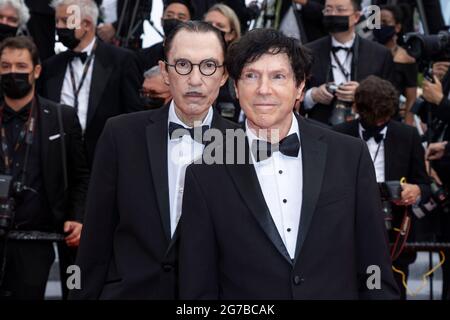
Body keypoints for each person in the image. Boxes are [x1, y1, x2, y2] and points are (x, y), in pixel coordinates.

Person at [178, 28, 399, 299]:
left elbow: (374, 262)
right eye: (251, 76)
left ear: (300, 86)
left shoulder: (349, 155)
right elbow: (197, 287)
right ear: (235, 87)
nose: (263, 89)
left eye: (278, 76)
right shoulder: (204, 173)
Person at [69, 21, 238, 300]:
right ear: (165, 72)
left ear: (223, 75)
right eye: (183, 65)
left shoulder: (241, 145)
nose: (195, 79)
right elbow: (95, 237)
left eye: (208, 66)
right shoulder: (120, 134)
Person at [0, 36, 89, 299]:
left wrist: (77, 217)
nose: (12, 72)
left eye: (20, 66)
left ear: (36, 71)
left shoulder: (62, 117)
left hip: (37, 240)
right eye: (5, 66)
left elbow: (80, 175)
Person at [334, 75, 431, 299]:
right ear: (357, 108)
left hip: (395, 234)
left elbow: (425, 185)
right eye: (373, 119)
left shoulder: (407, 135)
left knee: (390, 291)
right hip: (349, 231)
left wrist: (415, 191)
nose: (379, 123)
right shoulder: (338, 134)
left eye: (384, 118)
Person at [39, 0, 143, 167]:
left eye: (66, 21)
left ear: (87, 24)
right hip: (58, 164)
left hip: (105, 161)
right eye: (57, 21)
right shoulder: (50, 66)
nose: (59, 27)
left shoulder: (122, 61)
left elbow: (134, 115)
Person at [302, 0, 393, 125]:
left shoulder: (379, 54)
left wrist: (363, 94)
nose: (333, 14)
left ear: (356, 17)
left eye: (340, 10)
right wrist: (312, 95)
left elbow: (391, 101)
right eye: (328, 10)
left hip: (364, 129)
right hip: (320, 129)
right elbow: (291, 97)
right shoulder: (308, 52)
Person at [373, 5, 418, 124]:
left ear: (397, 27)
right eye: (377, 22)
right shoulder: (367, 51)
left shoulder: (406, 59)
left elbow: (411, 98)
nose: (380, 25)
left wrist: (407, 127)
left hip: (391, 120)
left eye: (385, 22)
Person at [204, 3, 241, 122]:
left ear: (232, 34)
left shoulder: (240, 69)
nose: (212, 29)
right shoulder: (184, 62)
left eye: (219, 26)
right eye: (208, 25)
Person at [137, 0, 192, 74]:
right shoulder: (144, 55)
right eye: (169, 15)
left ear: (190, 24)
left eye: (181, 17)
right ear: (161, 21)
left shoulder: (197, 55)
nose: (174, 19)